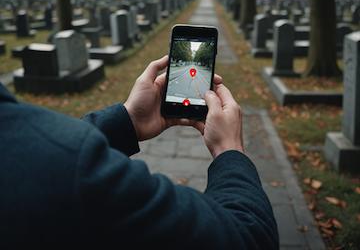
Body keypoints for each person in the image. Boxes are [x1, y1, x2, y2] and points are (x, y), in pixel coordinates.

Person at [0, 55, 279, 248]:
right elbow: (247, 237)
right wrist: (229, 151)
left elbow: (48, 157)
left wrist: (127, 121)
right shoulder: (74, 171)